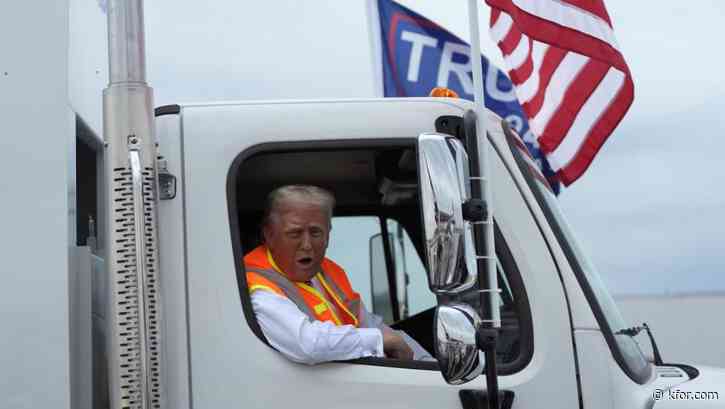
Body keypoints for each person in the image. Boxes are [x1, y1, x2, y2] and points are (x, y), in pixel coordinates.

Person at [245, 185, 433, 365]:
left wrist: (427, 365)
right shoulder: (257, 285)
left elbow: (370, 324)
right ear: (269, 235)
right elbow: (307, 344)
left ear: (328, 235)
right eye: (295, 233)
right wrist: (378, 340)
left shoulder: (327, 272)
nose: (307, 244)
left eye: (316, 232)